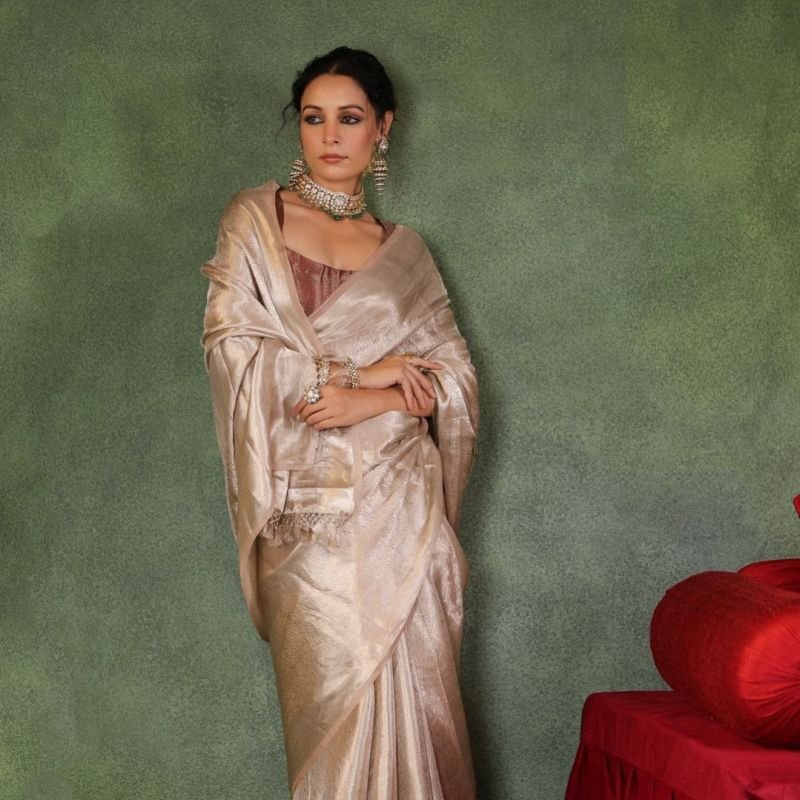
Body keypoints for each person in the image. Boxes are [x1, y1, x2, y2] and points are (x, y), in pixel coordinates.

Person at [200, 45, 479, 800]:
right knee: (331, 720)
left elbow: (452, 378)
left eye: (349, 118)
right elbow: (233, 352)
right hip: (306, 515)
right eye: (313, 118)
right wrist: (356, 373)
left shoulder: (405, 253)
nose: (330, 136)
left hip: (401, 509)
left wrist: (374, 399)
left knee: (419, 702)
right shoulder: (255, 221)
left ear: (382, 128)